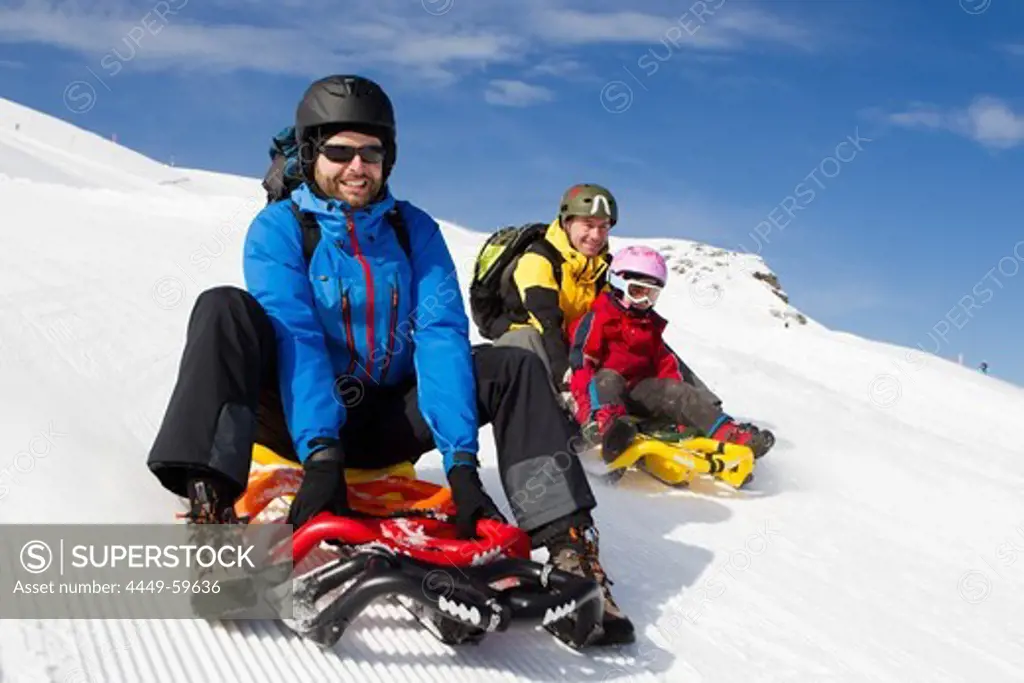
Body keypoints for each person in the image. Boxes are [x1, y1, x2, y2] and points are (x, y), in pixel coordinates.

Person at [145, 74, 633, 646]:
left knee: (513, 366)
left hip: (388, 420)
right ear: (310, 153)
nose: (357, 167)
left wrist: (461, 468)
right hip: (295, 417)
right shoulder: (280, 229)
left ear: (388, 159)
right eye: (339, 152)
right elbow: (296, 336)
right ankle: (213, 524)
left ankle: (572, 551)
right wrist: (322, 453)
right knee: (223, 309)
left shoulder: (413, 230)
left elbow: (440, 337)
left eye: (371, 153)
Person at [567, 245, 776, 463]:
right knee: (607, 378)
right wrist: (586, 409)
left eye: (651, 295)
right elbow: (581, 365)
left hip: (638, 393)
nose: (644, 301)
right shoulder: (596, 319)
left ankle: (728, 433)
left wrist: (676, 406)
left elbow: (666, 367)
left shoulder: (650, 327)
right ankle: (608, 428)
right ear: (618, 285)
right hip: (601, 396)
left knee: (678, 390)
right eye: (637, 291)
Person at [487, 184, 617, 395]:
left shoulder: (602, 269)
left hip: (567, 343)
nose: (596, 235)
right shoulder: (539, 259)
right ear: (567, 222)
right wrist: (566, 382)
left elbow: (609, 321)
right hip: (525, 346)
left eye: (603, 227)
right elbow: (547, 321)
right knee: (529, 339)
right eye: (588, 224)